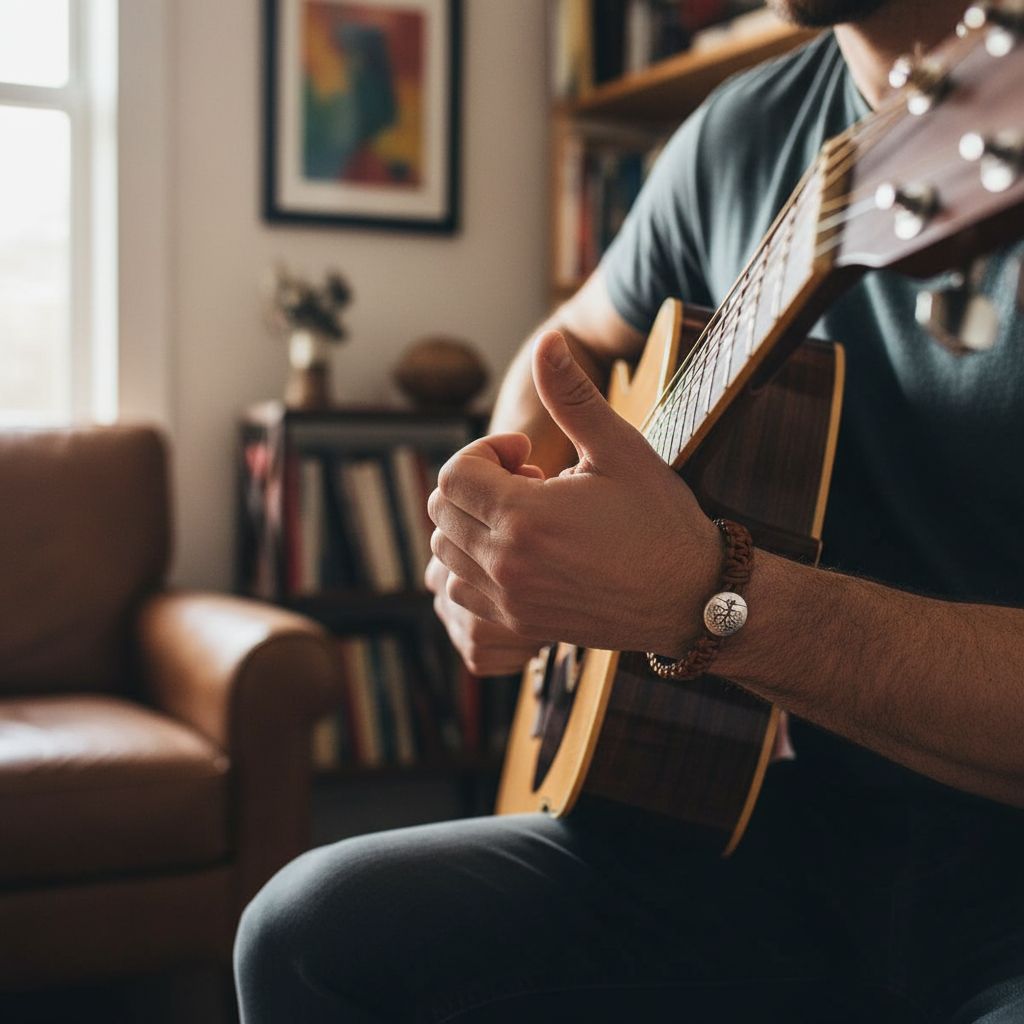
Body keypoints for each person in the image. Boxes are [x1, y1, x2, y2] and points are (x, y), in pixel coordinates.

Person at [234, 0, 1024, 1020]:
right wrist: (503, 524)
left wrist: (704, 598)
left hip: (998, 886)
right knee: (308, 933)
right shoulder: (736, 134)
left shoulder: (981, 102)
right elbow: (564, 343)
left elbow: (695, 593)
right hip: (743, 837)